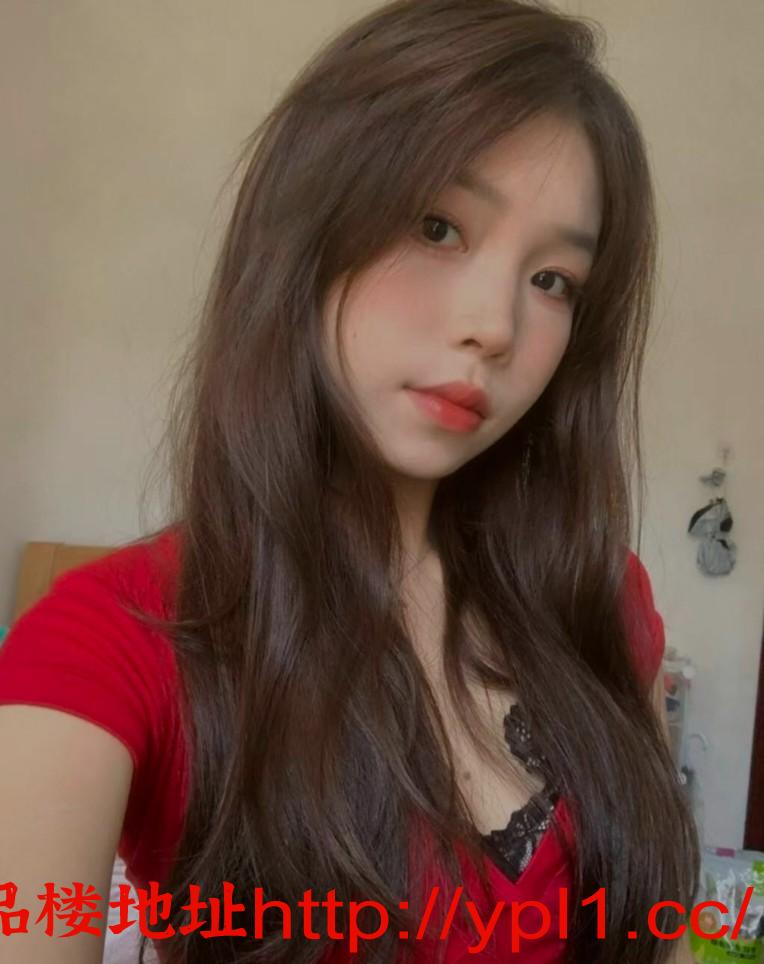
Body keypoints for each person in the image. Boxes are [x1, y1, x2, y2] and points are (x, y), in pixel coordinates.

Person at [0, 0, 700, 961]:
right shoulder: (110, 644)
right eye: (438, 226)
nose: (496, 326)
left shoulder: (602, 600)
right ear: (307, 230)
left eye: (553, 281)